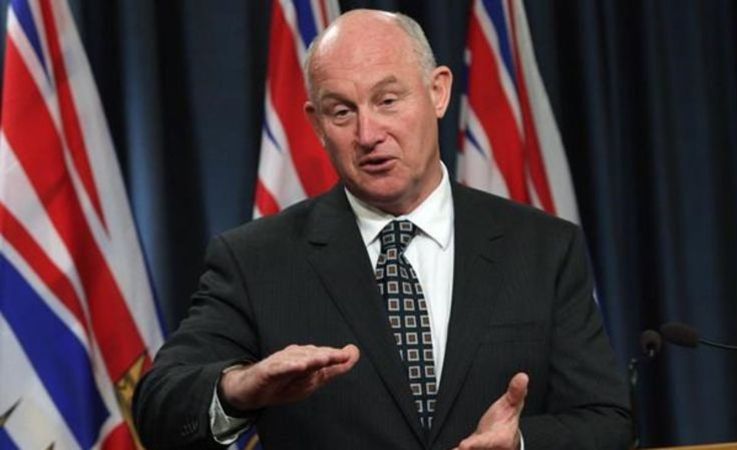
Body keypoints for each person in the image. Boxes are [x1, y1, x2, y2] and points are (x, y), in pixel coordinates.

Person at [133, 9, 631, 450]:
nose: (368, 134)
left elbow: (607, 420)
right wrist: (239, 388)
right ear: (316, 124)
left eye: (388, 100)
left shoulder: (543, 248)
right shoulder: (256, 259)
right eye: (342, 112)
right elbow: (158, 407)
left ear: (438, 91)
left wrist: (520, 443)